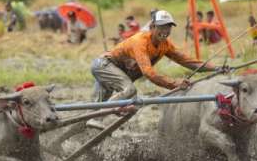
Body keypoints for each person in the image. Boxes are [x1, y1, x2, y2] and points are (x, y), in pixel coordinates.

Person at [91, 10, 228, 104]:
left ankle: (84, 126)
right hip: (104, 65)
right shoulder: (140, 42)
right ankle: (99, 117)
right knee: (130, 91)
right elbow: (148, 73)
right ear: (152, 26)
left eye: (168, 27)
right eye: (161, 27)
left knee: (124, 105)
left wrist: (216, 68)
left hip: (117, 73)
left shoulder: (165, 45)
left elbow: (189, 62)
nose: (165, 31)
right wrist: (175, 83)